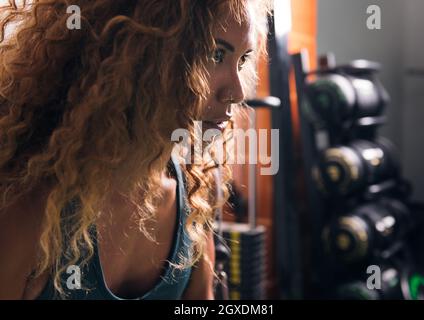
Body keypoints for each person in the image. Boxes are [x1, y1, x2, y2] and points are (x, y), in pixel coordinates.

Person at [0, 0, 271, 299]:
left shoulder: (193, 196)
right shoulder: (34, 203)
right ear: (139, 55)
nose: (237, 92)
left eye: (242, 60)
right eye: (215, 54)